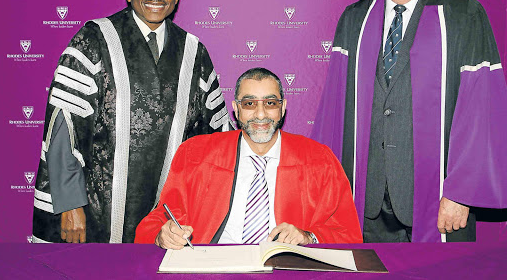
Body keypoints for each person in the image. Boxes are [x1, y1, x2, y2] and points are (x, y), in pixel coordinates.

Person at [312, 0, 507, 243]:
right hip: (365, 202)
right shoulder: (354, 20)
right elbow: (333, 114)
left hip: (439, 203)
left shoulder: (464, 17)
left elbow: (482, 113)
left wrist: (461, 193)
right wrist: (328, 193)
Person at [32, 0, 231, 243]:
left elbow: (213, 138)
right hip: (97, 208)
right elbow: (63, 126)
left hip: (167, 215)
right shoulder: (94, 39)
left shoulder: (194, 52)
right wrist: (70, 205)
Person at [135, 68, 362, 247]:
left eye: (270, 103)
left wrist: (308, 236)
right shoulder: (196, 154)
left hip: (286, 271)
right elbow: (159, 221)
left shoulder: (318, 160)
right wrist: (163, 235)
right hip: (213, 268)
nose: (261, 114)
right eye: (250, 103)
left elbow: (347, 234)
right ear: (236, 109)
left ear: (283, 107)